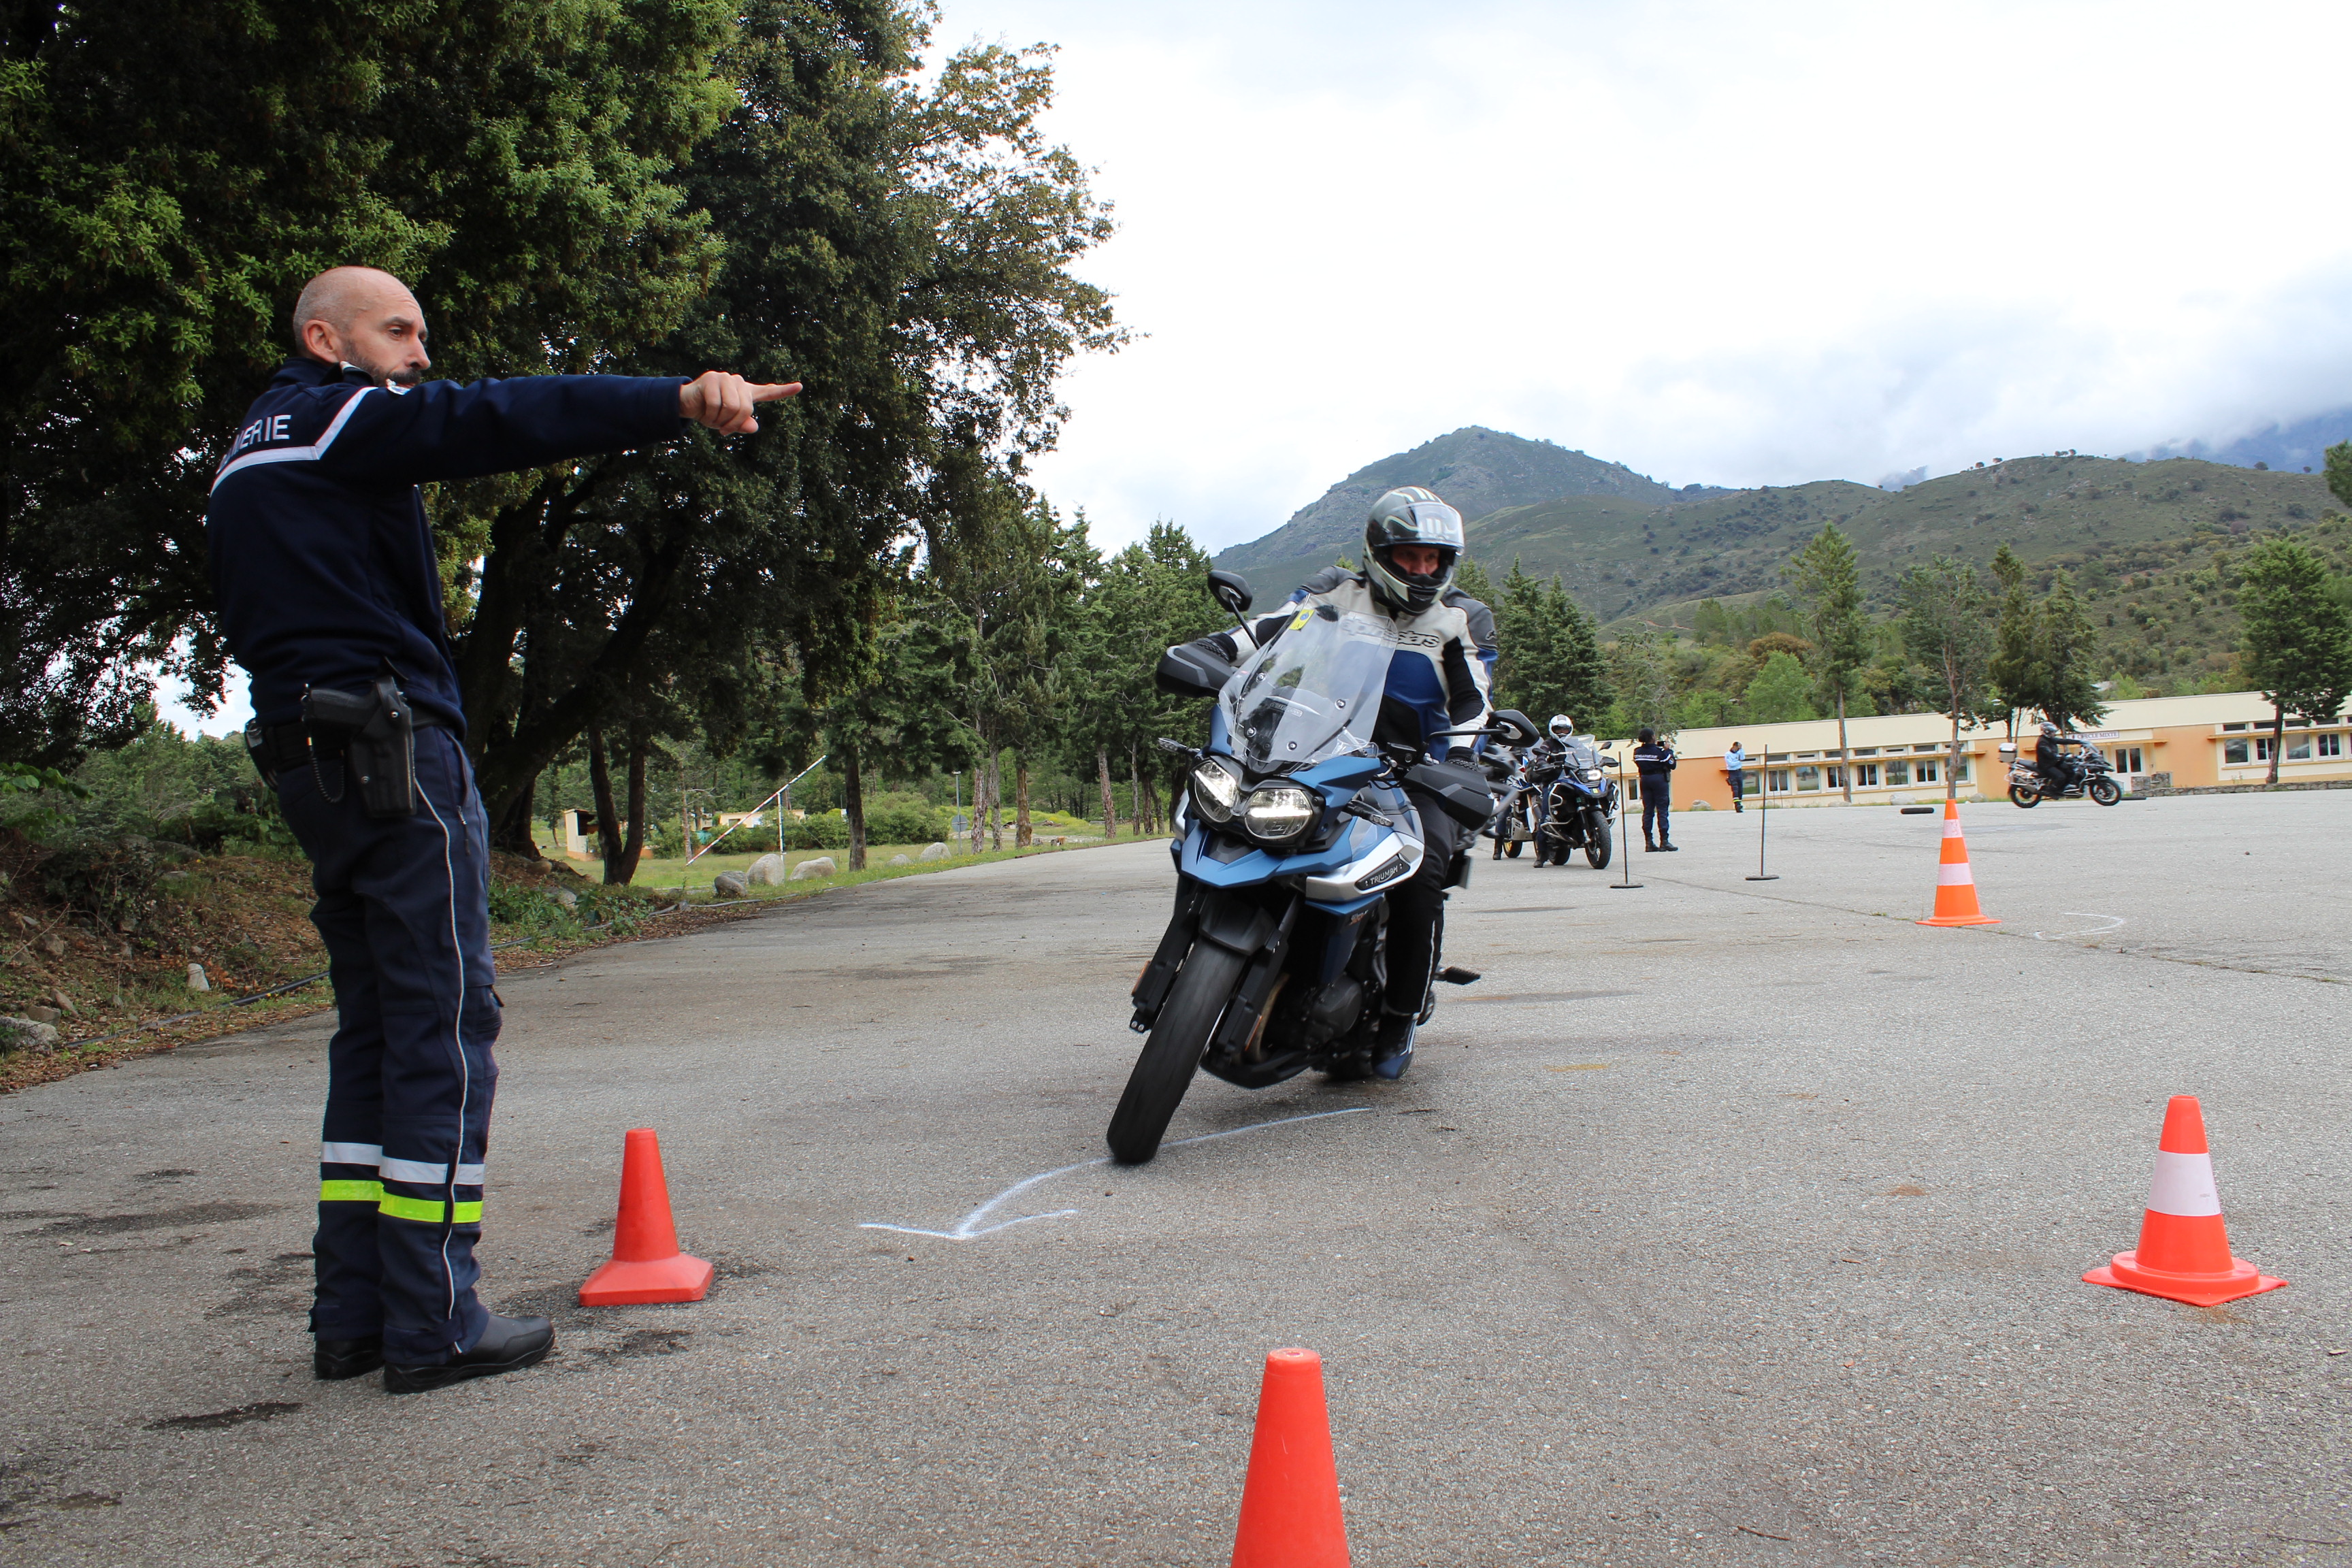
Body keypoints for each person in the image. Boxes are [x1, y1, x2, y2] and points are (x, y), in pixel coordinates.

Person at [206, 266, 800, 1394]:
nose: (420, 355)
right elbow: (502, 415)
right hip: (391, 755)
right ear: (325, 340)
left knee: (376, 1029)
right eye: (398, 331)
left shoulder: (248, 450)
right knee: (443, 1020)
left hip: (307, 755)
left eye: (423, 333)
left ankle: (355, 1314)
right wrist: (677, 399)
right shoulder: (339, 418)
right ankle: (434, 1320)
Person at [1177, 485, 1494, 1079]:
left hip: (1412, 773)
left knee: (1422, 872)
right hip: (1317, 749)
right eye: (1409, 557)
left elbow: (1472, 700)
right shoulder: (1335, 591)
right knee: (1227, 819)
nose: (1421, 570)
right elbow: (1269, 633)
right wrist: (1215, 650)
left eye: (1433, 559)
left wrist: (1459, 759)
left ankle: (1400, 1016)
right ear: (1380, 553)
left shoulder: (1460, 618)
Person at [1634, 725, 1678, 850]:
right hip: (1658, 780)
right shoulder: (1660, 752)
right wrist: (1668, 751)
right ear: (1652, 737)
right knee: (1662, 810)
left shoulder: (1637, 752)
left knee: (1648, 811)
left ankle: (1649, 842)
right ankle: (1664, 841)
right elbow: (1672, 764)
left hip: (1644, 779)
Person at [2033, 721, 2085, 794]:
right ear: (2047, 732)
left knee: (2069, 771)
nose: (2054, 733)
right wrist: (2060, 756)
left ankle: (2065, 789)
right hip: (2046, 765)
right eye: (2052, 732)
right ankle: (2050, 791)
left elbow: (2063, 741)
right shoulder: (2042, 742)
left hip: (2054, 763)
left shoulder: (2051, 739)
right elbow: (2049, 754)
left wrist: (2080, 742)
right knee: (2061, 777)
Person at [1723, 740, 1747, 813]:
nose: (1738, 749)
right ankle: (1737, 805)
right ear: (1734, 746)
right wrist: (1739, 762)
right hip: (1732, 772)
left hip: (1739, 772)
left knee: (1740, 789)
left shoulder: (1739, 752)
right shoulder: (1728, 754)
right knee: (1735, 789)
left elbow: (1743, 758)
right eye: (1738, 748)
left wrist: (1741, 750)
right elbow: (1731, 764)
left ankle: (1739, 803)